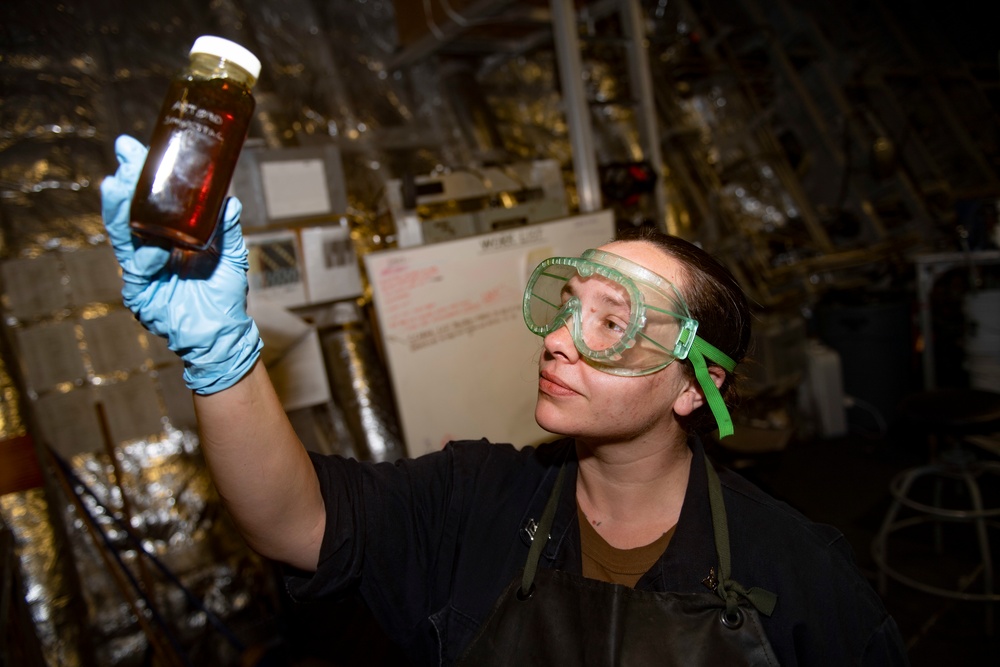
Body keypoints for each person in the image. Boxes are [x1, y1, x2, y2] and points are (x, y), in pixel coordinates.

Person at [101, 134, 909, 665]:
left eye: (610, 322)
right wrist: (222, 356)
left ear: (696, 386)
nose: (559, 338)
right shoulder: (475, 501)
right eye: (565, 307)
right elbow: (290, 521)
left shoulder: (797, 573)